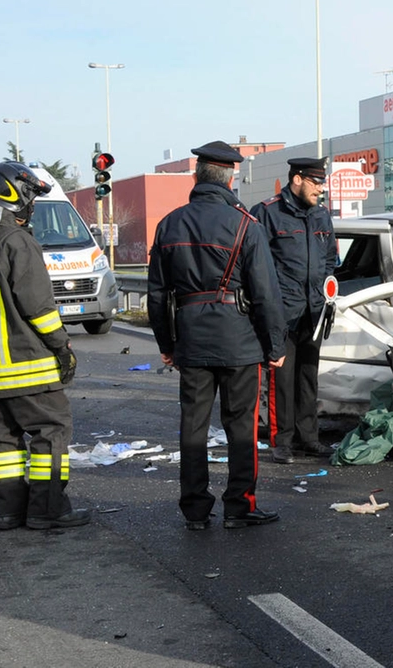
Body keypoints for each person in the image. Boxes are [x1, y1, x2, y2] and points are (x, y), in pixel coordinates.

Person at [148, 140, 288, 531]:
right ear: (231, 177)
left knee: (192, 425)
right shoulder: (247, 225)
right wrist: (275, 345)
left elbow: (157, 294)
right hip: (240, 341)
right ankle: (239, 507)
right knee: (240, 426)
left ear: (197, 175)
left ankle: (194, 509)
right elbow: (265, 294)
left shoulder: (169, 224)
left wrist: (166, 345)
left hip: (191, 340)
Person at [0, 162, 88, 530]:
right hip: (27, 365)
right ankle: (48, 510)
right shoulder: (16, 241)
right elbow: (39, 306)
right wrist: (62, 346)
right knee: (51, 433)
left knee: (2, 444)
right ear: (15, 195)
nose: (32, 203)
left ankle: (9, 511)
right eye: (30, 195)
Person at [250, 157, 339, 464]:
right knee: (281, 381)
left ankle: (308, 438)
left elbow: (330, 260)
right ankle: (282, 440)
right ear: (297, 179)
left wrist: (325, 294)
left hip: (313, 312)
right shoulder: (267, 213)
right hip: (281, 313)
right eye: (316, 183)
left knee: (307, 377)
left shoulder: (321, 215)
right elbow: (256, 264)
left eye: (322, 183)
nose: (320, 189)